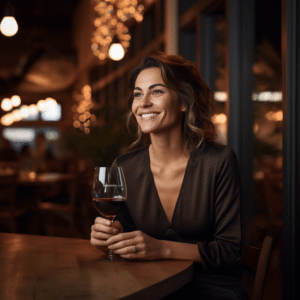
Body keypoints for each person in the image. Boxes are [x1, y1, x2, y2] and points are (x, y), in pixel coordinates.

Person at [90, 52, 248, 299]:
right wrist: (107, 238)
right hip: (149, 284)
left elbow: (230, 252)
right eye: (138, 94)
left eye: (157, 92)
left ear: (183, 101)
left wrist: (162, 248)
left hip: (211, 288)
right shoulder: (124, 166)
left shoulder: (219, 161)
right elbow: (124, 237)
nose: (143, 103)